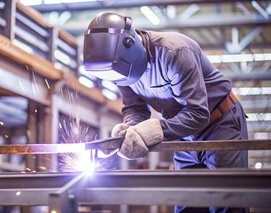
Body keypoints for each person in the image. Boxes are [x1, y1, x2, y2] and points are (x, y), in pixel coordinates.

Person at [83, 12, 248, 213]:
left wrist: (152, 131)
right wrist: (130, 130)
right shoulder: (117, 68)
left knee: (226, 202)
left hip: (220, 124)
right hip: (183, 133)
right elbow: (134, 108)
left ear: (130, 45)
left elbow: (197, 112)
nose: (118, 81)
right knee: (187, 204)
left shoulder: (174, 52)